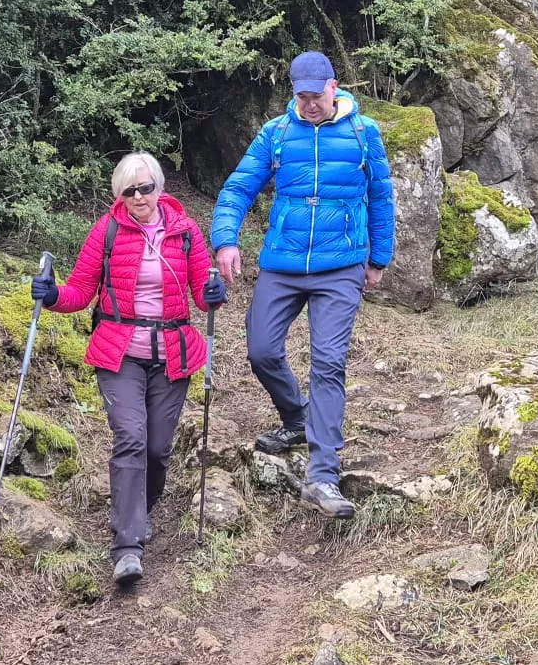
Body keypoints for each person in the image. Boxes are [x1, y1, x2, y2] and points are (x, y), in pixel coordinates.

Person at [211, 50, 396, 519]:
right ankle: (296, 417)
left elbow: (381, 195)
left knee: (329, 362)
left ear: (334, 87)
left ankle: (323, 477)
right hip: (283, 262)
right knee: (261, 350)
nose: (309, 104)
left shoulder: (363, 132)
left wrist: (378, 258)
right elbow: (238, 188)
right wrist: (226, 241)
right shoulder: (276, 134)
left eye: (316, 95)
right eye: (301, 96)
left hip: (341, 266)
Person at [31, 152, 226, 588]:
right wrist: (51, 294)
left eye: (146, 187)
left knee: (157, 449)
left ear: (159, 187)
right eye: (130, 190)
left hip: (173, 353)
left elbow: (202, 295)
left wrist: (215, 291)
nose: (140, 196)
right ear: (119, 195)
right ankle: (127, 547)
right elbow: (81, 291)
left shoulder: (185, 230)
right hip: (120, 351)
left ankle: (143, 508)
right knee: (131, 439)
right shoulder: (107, 230)